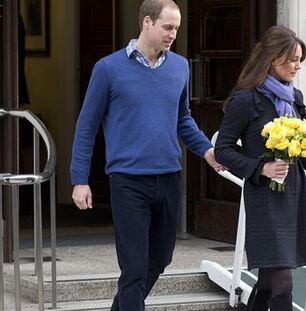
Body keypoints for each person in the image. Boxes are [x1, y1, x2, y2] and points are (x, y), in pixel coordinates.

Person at [70, 0, 223, 310]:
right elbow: (87, 126)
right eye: (168, 27)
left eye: (176, 28)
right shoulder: (108, 68)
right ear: (147, 23)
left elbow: (183, 119)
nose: (173, 34)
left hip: (168, 177)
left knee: (160, 259)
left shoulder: (179, 67)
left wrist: (207, 150)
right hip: (128, 182)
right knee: (134, 267)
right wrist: (79, 180)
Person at [214, 26, 306, 311]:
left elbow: (303, 149)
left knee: (268, 280)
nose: (296, 66)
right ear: (271, 59)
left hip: (293, 193)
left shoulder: (294, 97)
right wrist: (260, 168)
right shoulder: (245, 99)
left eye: (300, 59)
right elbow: (223, 149)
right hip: (264, 196)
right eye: (290, 59)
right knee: (283, 281)